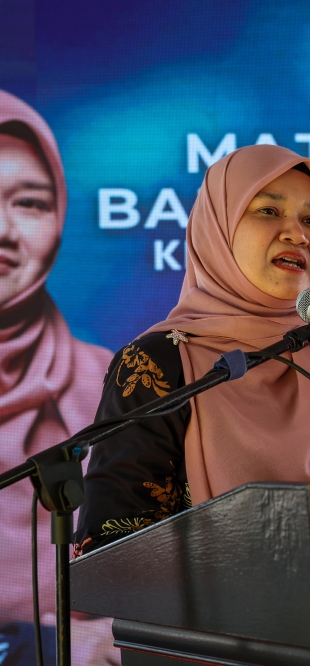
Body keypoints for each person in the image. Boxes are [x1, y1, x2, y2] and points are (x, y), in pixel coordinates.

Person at [74, 144, 310, 555]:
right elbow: (113, 547)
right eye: (269, 211)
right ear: (217, 230)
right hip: (208, 598)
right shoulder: (159, 364)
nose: (298, 234)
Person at [0, 90, 118, 664]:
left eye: (29, 203)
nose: (4, 230)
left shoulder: (116, 385)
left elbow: (170, 569)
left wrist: (109, 639)